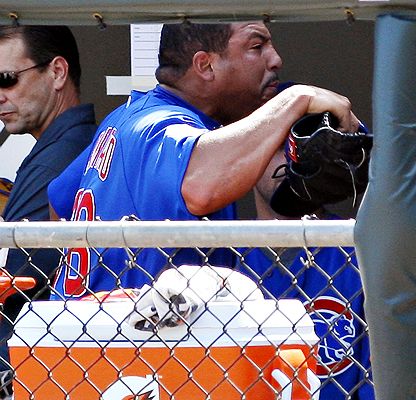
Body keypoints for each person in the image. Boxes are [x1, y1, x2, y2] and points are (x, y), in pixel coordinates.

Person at [49, 22, 359, 299]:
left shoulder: (126, 117)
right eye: (256, 47)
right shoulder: (159, 124)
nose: (275, 59)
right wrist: (295, 100)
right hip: (124, 346)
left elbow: (59, 200)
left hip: (91, 339)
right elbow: (199, 189)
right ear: (206, 66)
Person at [0, 25, 96, 398]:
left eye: (7, 79)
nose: (0, 96)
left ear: (57, 72)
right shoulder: (71, 144)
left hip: (27, 368)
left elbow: (13, 280)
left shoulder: (56, 159)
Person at [236, 148, 375, 399]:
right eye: (278, 146)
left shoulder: (359, 252)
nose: (290, 159)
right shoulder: (225, 257)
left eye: (301, 146)